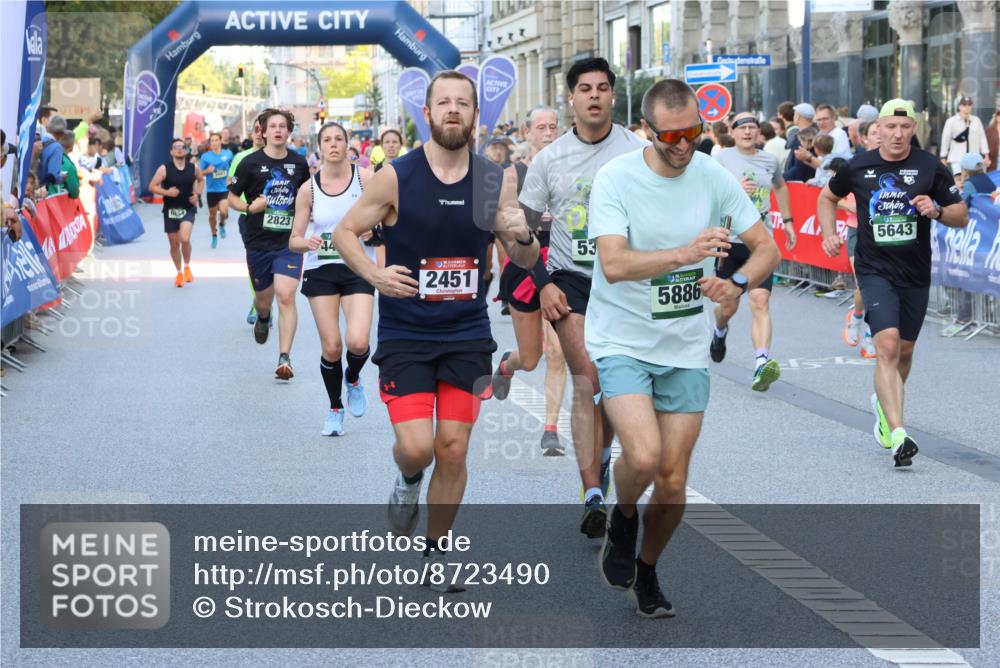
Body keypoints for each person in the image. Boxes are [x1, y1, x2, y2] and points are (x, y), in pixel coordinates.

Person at [333, 70, 538, 583]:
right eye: (442, 102)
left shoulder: (491, 179)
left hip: (467, 332)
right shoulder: (397, 176)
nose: (453, 110)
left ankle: (437, 549)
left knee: (453, 447)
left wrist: (525, 238)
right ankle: (407, 479)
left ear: (474, 115)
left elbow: (520, 252)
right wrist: (375, 274)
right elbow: (344, 232)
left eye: (462, 103)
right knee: (418, 449)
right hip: (407, 333)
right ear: (426, 113)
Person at [591, 79, 779, 617]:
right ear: (647, 131)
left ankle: (646, 570)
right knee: (644, 457)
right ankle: (623, 514)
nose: (683, 144)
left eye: (693, 131)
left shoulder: (713, 174)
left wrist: (736, 285)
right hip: (622, 337)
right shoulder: (617, 177)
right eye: (671, 134)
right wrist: (685, 254)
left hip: (686, 343)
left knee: (673, 479)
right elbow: (614, 264)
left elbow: (767, 247)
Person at [513, 57, 647, 537]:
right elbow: (519, 232)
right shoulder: (549, 160)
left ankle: (603, 455)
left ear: (613, 96)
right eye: (585, 88)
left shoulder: (638, 150)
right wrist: (544, 282)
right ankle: (592, 493)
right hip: (573, 280)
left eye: (603, 88)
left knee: (615, 386)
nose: (594, 95)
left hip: (628, 281)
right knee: (588, 377)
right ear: (571, 97)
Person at [819, 99, 968, 468]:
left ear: (913, 129)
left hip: (915, 271)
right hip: (874, 269)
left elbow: (961, 216)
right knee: (885, 345)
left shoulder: (930, 166)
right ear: (878, 130)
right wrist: (827, 234)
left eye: (904, 128)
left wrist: (935, 210)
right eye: (890, 127)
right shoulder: (858, 165)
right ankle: (899, 431)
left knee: (904, 352)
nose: (897, 134)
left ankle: (883, 405)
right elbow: (827, 197)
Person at [290, 122, 379, 436]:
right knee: (331, 347)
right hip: (321, 269)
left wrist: (375, 231)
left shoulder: (366, 179)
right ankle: (334, 407)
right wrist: (307, 243)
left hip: (358, 267)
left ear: (347, 143)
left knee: (358, 341)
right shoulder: (308, 189)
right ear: (319, 147)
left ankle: (353, 378)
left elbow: (390, 216)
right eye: (327, 140)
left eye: (338, 138)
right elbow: (294, 240)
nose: (333, 144)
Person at [492, 105, 569, 455]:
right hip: (526, 265)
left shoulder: (572, 171)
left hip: (562, 264)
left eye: (553, 126)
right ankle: (508, 365)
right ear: (527, 132)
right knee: (531, 358)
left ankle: (550, 429)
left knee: (557, 352)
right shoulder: (513, 174)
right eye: (541, 127)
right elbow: (510, 228)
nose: (549, 132)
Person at [710, 112, 795, 391]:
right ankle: (720, 332)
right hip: (729, 241)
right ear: (732, 132)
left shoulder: (769, 160)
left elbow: (780, 187)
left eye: (752, 128)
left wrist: (788, 221)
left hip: (760, 243)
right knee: (728, 305)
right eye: (742, 128)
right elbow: (707, 192)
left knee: (760, 301)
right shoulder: (720, 158)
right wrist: (735, 190)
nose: (748, 132)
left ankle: (761, 364)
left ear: (759, 133)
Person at [228, 109, 310, 380]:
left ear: (289, 132)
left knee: (286, 295)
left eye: (282, 126)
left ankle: (284, 357)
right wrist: (252, 208)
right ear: (263, 131)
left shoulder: (299, 164)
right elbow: (232, 199)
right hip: (258, 242)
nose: (277, 130)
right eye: (272, 126)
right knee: (264, 299)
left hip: (288, 242)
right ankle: (263, 317)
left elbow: (306, 199)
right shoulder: (250, 163)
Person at [148, 138, 204, 288]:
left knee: (185, 239)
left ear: (185, 151)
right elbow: (152, 186)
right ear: (171, 151)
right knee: (174, 244)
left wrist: (197, 195)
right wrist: (166, 192)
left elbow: (201, 180)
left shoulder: (193, 167)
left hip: (187, 208)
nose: (179, 149)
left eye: (182, 147)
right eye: (176, 147)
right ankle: (179, 272)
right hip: (170, 210)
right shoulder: (164, 169)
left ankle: (187, 267)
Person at [229, 120, 265, 325]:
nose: (259, 134)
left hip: (277, 217)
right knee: (256, 262)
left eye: (263, 130)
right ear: (252, 134)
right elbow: (230, 183)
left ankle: (267, 301)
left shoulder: (279, 156)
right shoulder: (241, 157)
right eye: (256, 130)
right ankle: (258, 303)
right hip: (249, 216)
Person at [199, 132, 234, 248]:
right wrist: (207, 171)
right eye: (212, 140)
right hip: (211, 190)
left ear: (220, 141)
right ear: (210, 143)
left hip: (224, 188)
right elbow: (199, 173)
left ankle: (222, 224)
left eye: (216, 140)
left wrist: (233, 179)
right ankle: (214, 234)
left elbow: (234, 167)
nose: (214, 142)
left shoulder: (228, 154)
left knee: (224, 211)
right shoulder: (205, 157)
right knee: (212, 215)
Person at [940, 96, 990, 175]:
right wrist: (943, 157)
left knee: (973, 183)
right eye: (964, 105)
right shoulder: (951, 121)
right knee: (960, 182)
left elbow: (982, 139)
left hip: (974, 159)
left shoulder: (976, 121)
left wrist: (986, 155)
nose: (967, 107)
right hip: (957, 159)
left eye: (969, 105)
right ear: (959, 106)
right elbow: (945, 139)